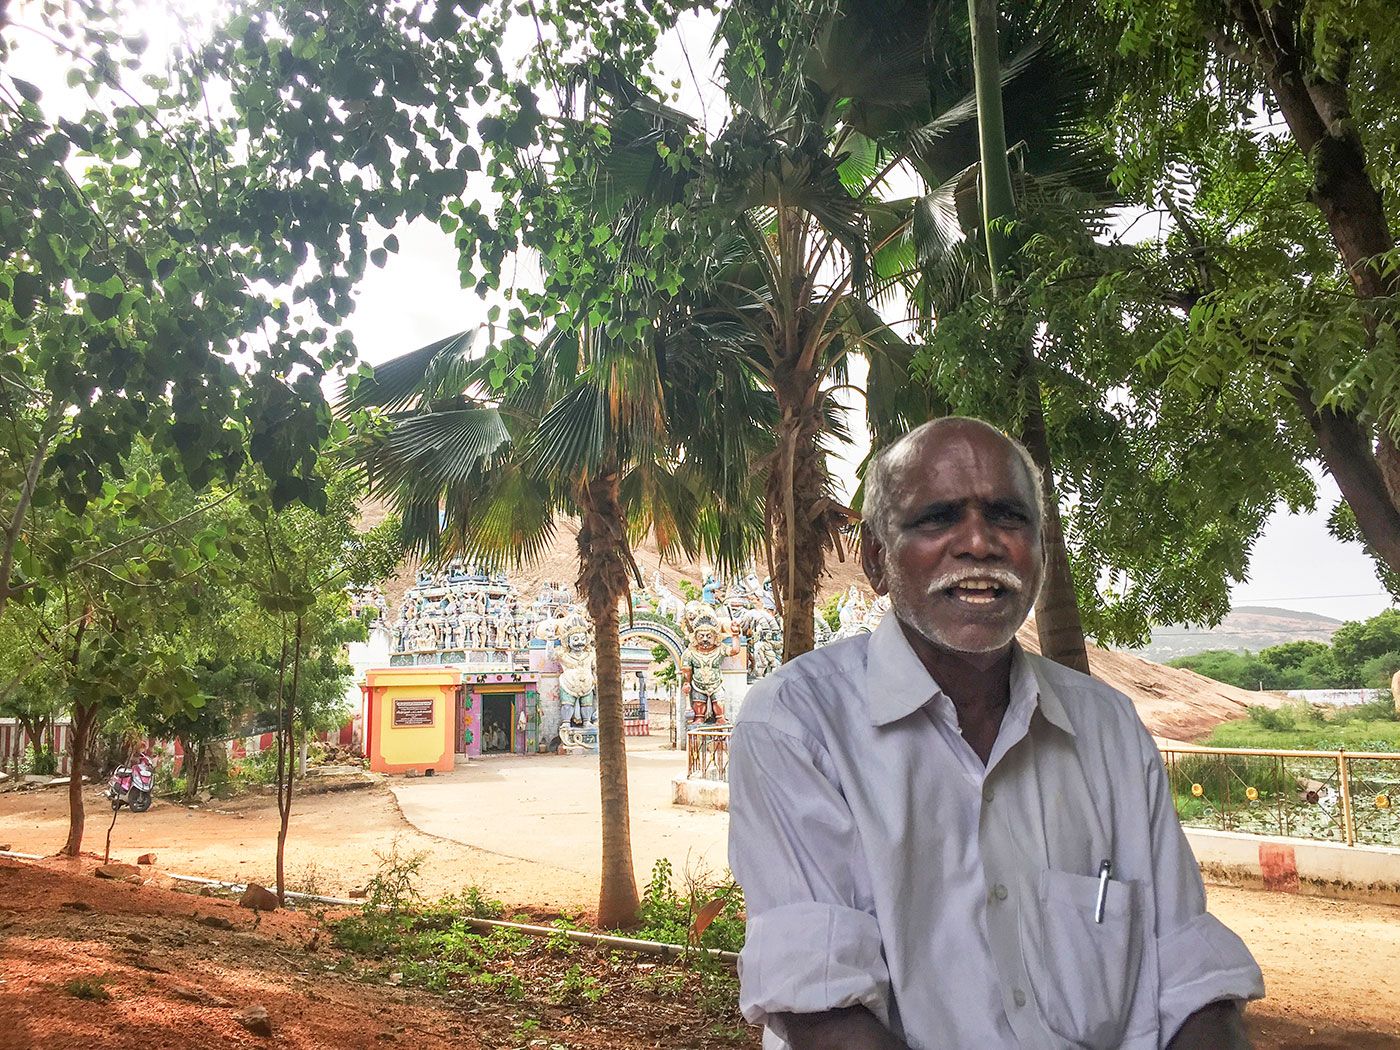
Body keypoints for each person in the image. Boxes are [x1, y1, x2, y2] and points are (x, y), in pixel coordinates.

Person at [728, 417, 1263, 1050]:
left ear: (1039, 547)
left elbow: (1190, 973)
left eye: (1009, 516)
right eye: (938, 517)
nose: (979, 543)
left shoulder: (1109, 729)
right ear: (876, 557)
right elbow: (822, 1008)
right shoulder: (797, 725)